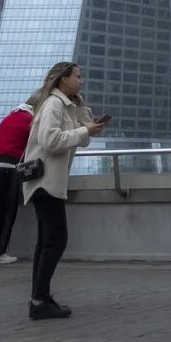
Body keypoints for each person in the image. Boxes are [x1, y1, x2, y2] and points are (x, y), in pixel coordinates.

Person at [20, 62, 108, 319]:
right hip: (45, 182)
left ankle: (40, 297)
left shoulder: (65, 104)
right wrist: (83, 130)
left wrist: (82, 113)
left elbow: (86, 138)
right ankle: (38, 300)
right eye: (77, 76)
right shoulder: (53, 105)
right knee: (56, 240)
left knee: (46, 242)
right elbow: (50, 140)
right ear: (63, 79)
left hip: (49, 182)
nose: (82, 81)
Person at [0, 99, 35, 265]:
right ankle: (0, 253)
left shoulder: (8, 118)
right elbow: (35, 144)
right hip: (9, 167)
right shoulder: (30, 119)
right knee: (7, 212)